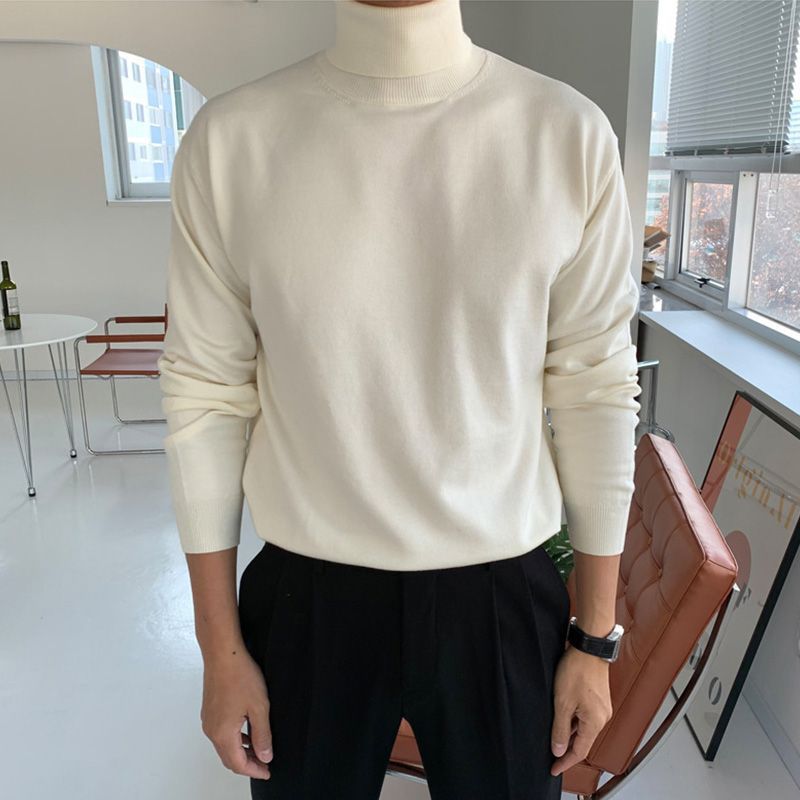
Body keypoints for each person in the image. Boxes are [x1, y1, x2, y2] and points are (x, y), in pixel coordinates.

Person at [157, 0, 642, 797]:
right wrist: (220, 648)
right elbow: (205, 395)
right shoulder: (232, 141)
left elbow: (596, 389)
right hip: (307, 592)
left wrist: (594, 642)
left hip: (500, 594)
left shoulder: (565, 134)